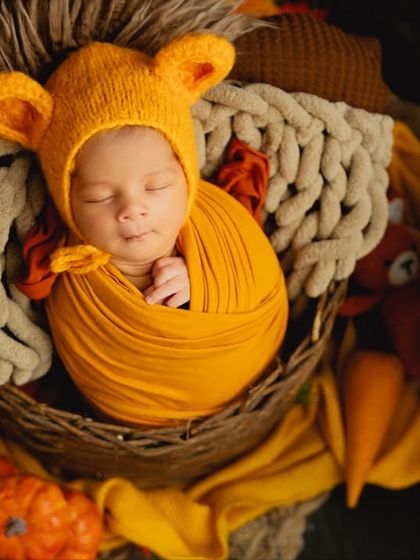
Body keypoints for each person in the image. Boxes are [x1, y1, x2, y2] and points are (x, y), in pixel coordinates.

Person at [0, 34, 289, 426]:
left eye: (156, 187)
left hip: (257, 377)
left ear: (186, 175)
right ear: (67, 203)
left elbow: (255, 270)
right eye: (100, 198)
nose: (133, 209)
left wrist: (205, 276)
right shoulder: (72, 277)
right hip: (135, 416)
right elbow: (80, 350)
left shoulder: (217, 221)